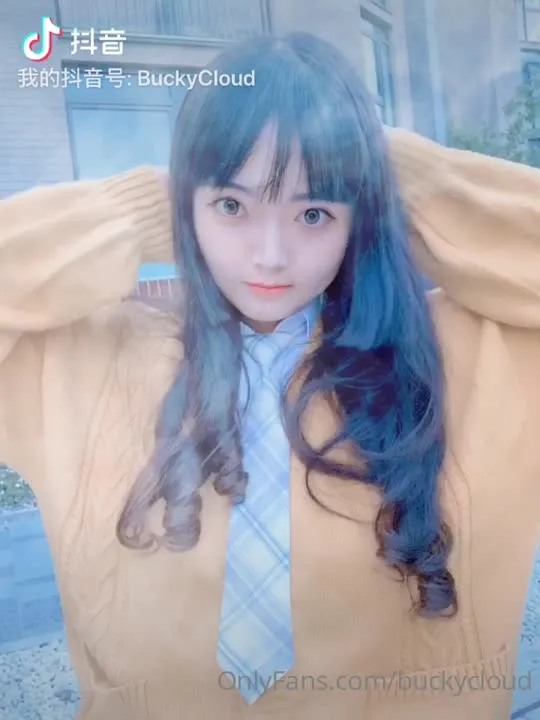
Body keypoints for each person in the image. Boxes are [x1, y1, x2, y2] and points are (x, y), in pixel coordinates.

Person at [1, 31, 539, 720]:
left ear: (358, 220)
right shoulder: (82, 366)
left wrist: (394, 171)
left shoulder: (477, 359)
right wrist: (139, 211)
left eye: (314, 213)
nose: (271, 254)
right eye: (232, 206)